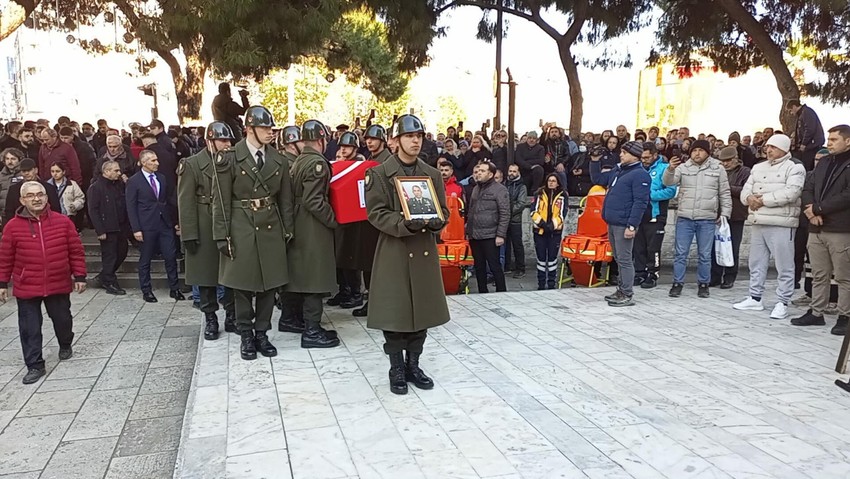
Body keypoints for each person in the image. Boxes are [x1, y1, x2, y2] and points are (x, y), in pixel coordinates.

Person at [364, 114, 450, 395]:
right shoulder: (378, 174)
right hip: (395, 249)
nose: (415, 141)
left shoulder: (432, 174)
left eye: (419, 136)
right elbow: (375, 213)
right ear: (396, 140)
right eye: (409, 136)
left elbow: (443, 210)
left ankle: (414, 364)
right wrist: (403, 223)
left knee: (422, 310)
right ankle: (396, 366)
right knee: (396, 312)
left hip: (423, 251)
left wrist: (438, 220)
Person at [212, 106, 295, 360]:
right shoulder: (228, 158)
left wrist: (287, 230)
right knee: (243, 285)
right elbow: (221, 200)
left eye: (271, 128)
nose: (270, 132)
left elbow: (285, 201)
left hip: (270, 226)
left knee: (270, 285)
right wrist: (221, 234)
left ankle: (262, 333)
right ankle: (246, 334)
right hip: (241, 225)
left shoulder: (278, 160)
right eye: (265, 128)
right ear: (249, 129)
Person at [0, 181, 86, 384]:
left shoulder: (63, 221)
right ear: (22, 200)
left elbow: (75, 250)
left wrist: (80, 276)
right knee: (29, 328)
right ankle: (35, 365)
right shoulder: (12, 227)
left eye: (40, 194)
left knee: (63, 320)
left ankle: (65, 343)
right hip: (27, 284)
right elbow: (5, 257)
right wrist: (2, 283)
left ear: (47, 197)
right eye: (31, 195)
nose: (36, 198)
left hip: (58, 282)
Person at [732, 134, 805, 319]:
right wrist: (749, 199)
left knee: (784, 264)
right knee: (756, 262)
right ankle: (755, 297)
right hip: (758, 220)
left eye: (773, 146)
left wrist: (762, 200)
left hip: (781, 222)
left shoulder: (795, 167)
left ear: (784, 148)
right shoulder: (758, 167)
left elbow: (791, 193)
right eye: (768, 146)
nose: (769, 150)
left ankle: (782, 301)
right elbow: (746, 189)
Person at [283, 119, 340, 349]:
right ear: (321, 139)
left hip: (298, 220)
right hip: (312, 225)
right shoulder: (317, 163)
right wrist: (333, 220)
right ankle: (312, 330)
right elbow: (314, 200)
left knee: (299, 273)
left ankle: (289, 318)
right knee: (315, 276)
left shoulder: (299, 160)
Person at [179, 122, 237, 341]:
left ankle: (231, 316)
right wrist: (189, 234)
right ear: (209, 141)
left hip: (228, 222)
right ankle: (211, 318)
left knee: (232, 274)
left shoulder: (232, 162)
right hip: (203, 224)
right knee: (205, 278)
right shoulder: (192, 164)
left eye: (229, 140)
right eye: (223, 140)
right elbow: (185, 201)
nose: (227, 144)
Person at [793, 125, 850, 335]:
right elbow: (808, 187)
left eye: (834, 139)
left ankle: (845, 315)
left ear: (848, 141)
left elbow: (847, 195)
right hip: (816, 228)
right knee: (819, 273)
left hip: (840, 228)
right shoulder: (824, 162)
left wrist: (819, 208)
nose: (829, 143)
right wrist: (810, 211)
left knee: (844, 276)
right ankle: (816, 312)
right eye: (829, 138)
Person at [663, 139, 732, 298]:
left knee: (705, 254)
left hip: (707, 218)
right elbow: (668, 182)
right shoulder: (683, 167)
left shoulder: (718, 168)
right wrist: (670, 169)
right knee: (680, 253)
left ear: (707, 152)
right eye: (694, 150)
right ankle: (677, 283)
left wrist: (725, 214)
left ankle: (703, 284)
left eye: (700, 150)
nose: (697, 153)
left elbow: (724, 193)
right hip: (685, 217)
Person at [590, 141, 651, 306]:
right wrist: (595, 161)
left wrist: (632, 225)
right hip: (612, 221)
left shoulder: (640, 174)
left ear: (635, 155)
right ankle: (621, 289)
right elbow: (598, 179)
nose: (621, 155)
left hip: (624, 223)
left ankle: (627, 293)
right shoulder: (618, 170)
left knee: (624, 259)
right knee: (618, 258)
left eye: (624, 152)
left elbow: (640, 202)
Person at [126, 149, 185, 303]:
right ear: (144, 162)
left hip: (164, 222)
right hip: (146, 224)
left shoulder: (162, 178)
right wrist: (136, 229)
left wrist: (176, 220)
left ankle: (174, 288)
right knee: (145, 258)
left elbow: (167, 200)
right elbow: (131, 206)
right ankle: (146, 290)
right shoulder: (134, 181)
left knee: (170, 256)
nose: (156, 163)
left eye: (156, 160)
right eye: (152, 161)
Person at [352, 124, 391, 319]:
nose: (369, 142)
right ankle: (371, 300)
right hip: (367, 217)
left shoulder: (388, 160)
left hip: (381, 218)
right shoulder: (369, 159)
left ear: (382, 141)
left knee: (381, 263)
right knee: (368, 262)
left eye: (373, 139)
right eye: (367, 139)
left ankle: (381, 302)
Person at [330, 131, 366, 310]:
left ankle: (355, 292)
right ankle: (343, 290)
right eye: (342, 146)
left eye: (348, 147)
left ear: (355, 148)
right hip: (339, 215)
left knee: (352, 257)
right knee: (339, 256)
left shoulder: (360, 165)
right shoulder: (338, 164)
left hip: (355, 219)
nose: (344, 150)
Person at [634, 142, 676, 289]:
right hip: (638, 214)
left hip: (656, 215)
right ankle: (639, 273)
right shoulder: (637, 168)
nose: (644, 160)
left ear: (655, 155)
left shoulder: (665, 169)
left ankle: (653, 274)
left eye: (647, 157)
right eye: (642, 157)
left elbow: (671, 191)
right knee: (638, 247)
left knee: (653, 248)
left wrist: (648, 195)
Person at [87, 161, 130, 295]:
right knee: (110, 255)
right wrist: (100, 230)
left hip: (121, 226)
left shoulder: (119, 185)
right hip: (108, 227)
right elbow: (93, 210)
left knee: (122, 252)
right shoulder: (96, 187)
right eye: (116, 171)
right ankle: (109, 280)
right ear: (106, 172)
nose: (119, 173)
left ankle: (104, 276)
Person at [466, 160, 510, 293]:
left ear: (490, 174)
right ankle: (482, 292)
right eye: (478, 171)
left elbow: (505, 213)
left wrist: (500, 235)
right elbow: (471, 211)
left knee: (494, 266)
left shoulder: (500, 190)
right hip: (475, 235)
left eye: (482, 171)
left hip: (491, 235)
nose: (479, 173)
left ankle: (501, 292)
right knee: (479, 267)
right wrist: (469, 231)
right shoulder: (476, 188)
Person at [711, 146, 751, 289]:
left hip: (736, 215)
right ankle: (715, 276)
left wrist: (726, 186)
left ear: (735, 159)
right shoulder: (717, 171)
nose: (725, 163)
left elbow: (746, 191)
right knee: (714, 247)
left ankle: (729, 276)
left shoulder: (745, 172)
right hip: (716, 213)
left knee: (732, 248)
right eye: (723, 161)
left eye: (728, 160)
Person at [530, 173, 566, 290]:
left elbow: (562, 214)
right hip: (539, 231)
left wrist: (552, 226)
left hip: (554, 232)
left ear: (558, 182)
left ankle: (551, 284)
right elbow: (533, 211)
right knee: (540, 258)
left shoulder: (563, 195)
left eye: (554, 181)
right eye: (549, 180)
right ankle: (541, 284)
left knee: (552, 259)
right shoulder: (538, 194)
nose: (551, 182)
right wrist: (542, 224)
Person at [504, 164, 528, 278]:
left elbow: (521, 204)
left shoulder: (522, 186)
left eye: (514, 171)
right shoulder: (504, 184)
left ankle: (521, 268)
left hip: (515, 220)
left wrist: (507, 211)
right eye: (510, 171)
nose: (511, 173)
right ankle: (507, 266)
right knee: (505, 244)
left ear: (518, 173)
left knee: (517, 245)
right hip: (504, 220)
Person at [787, 99, 825, 172]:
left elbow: (809, 129)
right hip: (810, 145)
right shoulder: (803, 113)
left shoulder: (806, 112)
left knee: (807, 166)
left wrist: (804, 143)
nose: (791, 113)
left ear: (794, 106)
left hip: (811, 145)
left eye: (790, 110)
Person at [47, 162, 85, 231]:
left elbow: (80, 198)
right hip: (52, 218)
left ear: (63, 172)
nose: (55, 174)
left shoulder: (72, 184)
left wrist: (75, 205)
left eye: (57, 171)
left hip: (68, 216)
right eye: (52, 171)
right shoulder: (46, 185)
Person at [0, 147, 24, 222]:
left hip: (22, 213)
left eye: (13, 159)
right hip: (4, 215)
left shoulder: (25, 174)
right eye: (7, 159)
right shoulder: (1, 176)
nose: (10, 162)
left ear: (19, 160)